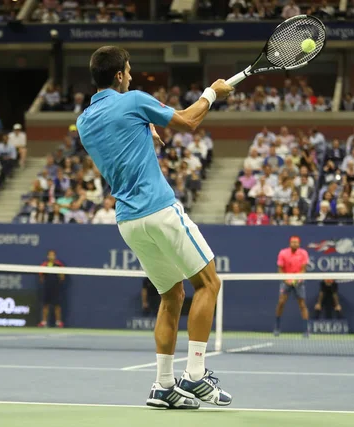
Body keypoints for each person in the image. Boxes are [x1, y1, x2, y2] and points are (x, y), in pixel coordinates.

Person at [76, 46, 233, 409]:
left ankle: (163, 384)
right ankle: (195, 376)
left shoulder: (85, 121)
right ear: (118, 76)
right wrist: (212, 93)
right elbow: (190, 121)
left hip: (128, 221)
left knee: (171, 295)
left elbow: (117, 138)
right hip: (159, 210)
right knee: (209, 283)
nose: (130, 75)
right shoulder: (132, 100)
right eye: (128, 70)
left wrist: (144, 127)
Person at [274, 236, 311, 337]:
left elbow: (303, 269)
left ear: (299, 244)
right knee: (281, 302)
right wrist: (286, 280)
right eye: (293, 242)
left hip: (299, 281)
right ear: (290, 243)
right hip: (286, 280)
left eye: (296, 242)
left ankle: (306, 330)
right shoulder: (283, 253)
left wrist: (295, 280)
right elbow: (280, 268)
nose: (295, 244)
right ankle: (277, 328)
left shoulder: (303, 253)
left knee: (302, 305)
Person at [37, 250, 65, 328]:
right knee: (45, 305)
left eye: (53, 255)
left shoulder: (59, 265)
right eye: (50, 255)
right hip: (47, 288)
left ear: (55, 256)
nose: (51, 256)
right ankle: (44, 322)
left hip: (56, 288)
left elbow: (62, 277)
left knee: (57, 306)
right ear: (47, 256)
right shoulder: (44, 264)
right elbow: (41, 276)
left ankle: (58, 322)